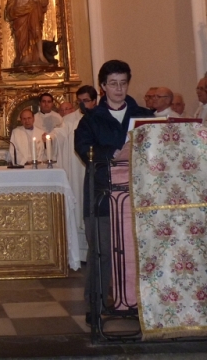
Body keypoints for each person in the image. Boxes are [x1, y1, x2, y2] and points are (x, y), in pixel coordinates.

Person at [74, 60, 153, 324]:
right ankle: (96, 305)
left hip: (139, 197)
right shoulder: (90, 120)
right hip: (103, 197)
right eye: (113, 84)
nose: (119, 89)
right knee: (102, 252)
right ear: (103, 86)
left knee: (140, 251)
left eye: (123, 83)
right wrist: (116, 154)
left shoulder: (144, 115)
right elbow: (86, 150)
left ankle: (141, 304)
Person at [53, 85, 98, 254]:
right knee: (79, 200)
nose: (82, 105)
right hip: (76, 166)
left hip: (94, 166)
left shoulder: (101, 116)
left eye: (86, 101)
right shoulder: (70, 119)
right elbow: (61, 133)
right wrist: (52, 137)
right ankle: (80, 249)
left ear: (94, 100)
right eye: (79, 101)